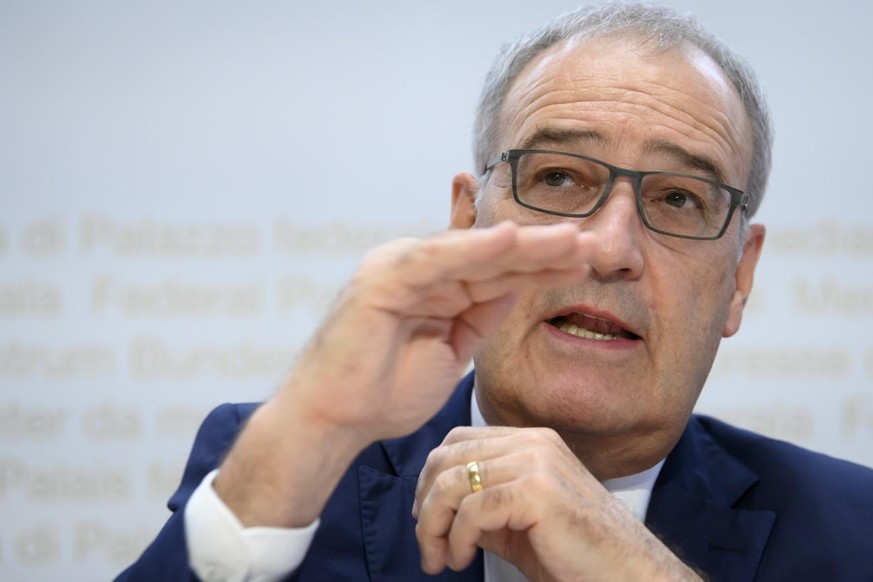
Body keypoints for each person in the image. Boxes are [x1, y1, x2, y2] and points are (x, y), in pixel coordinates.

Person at [117, 3, 873, 581]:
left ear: (739, 278)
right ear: (465, 225)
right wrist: (308, 428)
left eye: (679, 199)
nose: (611, 250)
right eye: (558, 178)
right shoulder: (292, 466)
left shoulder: (852, 529)